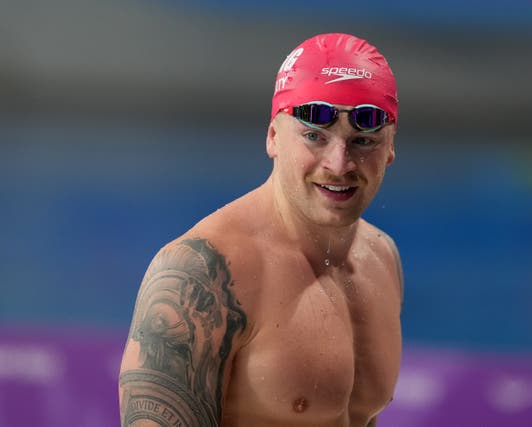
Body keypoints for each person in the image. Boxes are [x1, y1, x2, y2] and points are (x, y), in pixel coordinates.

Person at [119, 32, 403, 427]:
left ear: (390, 147)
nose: (339, 165)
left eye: (363, 141)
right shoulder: (206, 275)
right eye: (314, 137)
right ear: (273, 137)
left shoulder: (381, 258)